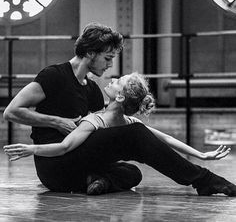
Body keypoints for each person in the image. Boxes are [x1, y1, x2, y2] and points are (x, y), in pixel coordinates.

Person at [4, 73, 236, 197]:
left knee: (133, 173)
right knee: (136, 135)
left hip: (79, 176)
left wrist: (201, 154)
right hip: (61, 170)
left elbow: (165, 139)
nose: (112, 79)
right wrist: (31, 149)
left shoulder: (128, 123)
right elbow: (64, 148)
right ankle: (205, 181)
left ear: (121, 97)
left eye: (118, 82)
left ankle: (100, 182)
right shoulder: (94, 119)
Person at [3, 23, 143, 195]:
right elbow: (11, 111)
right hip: (53, 164)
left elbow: (100, 130)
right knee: (122, 172)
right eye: (107, 58)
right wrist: (57, 122)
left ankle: (97, 181)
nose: (110, 65)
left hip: (79, 161)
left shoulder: (93, 89)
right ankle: (99, 180)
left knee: (133, 173)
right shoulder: (54, 76)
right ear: (90, 53)